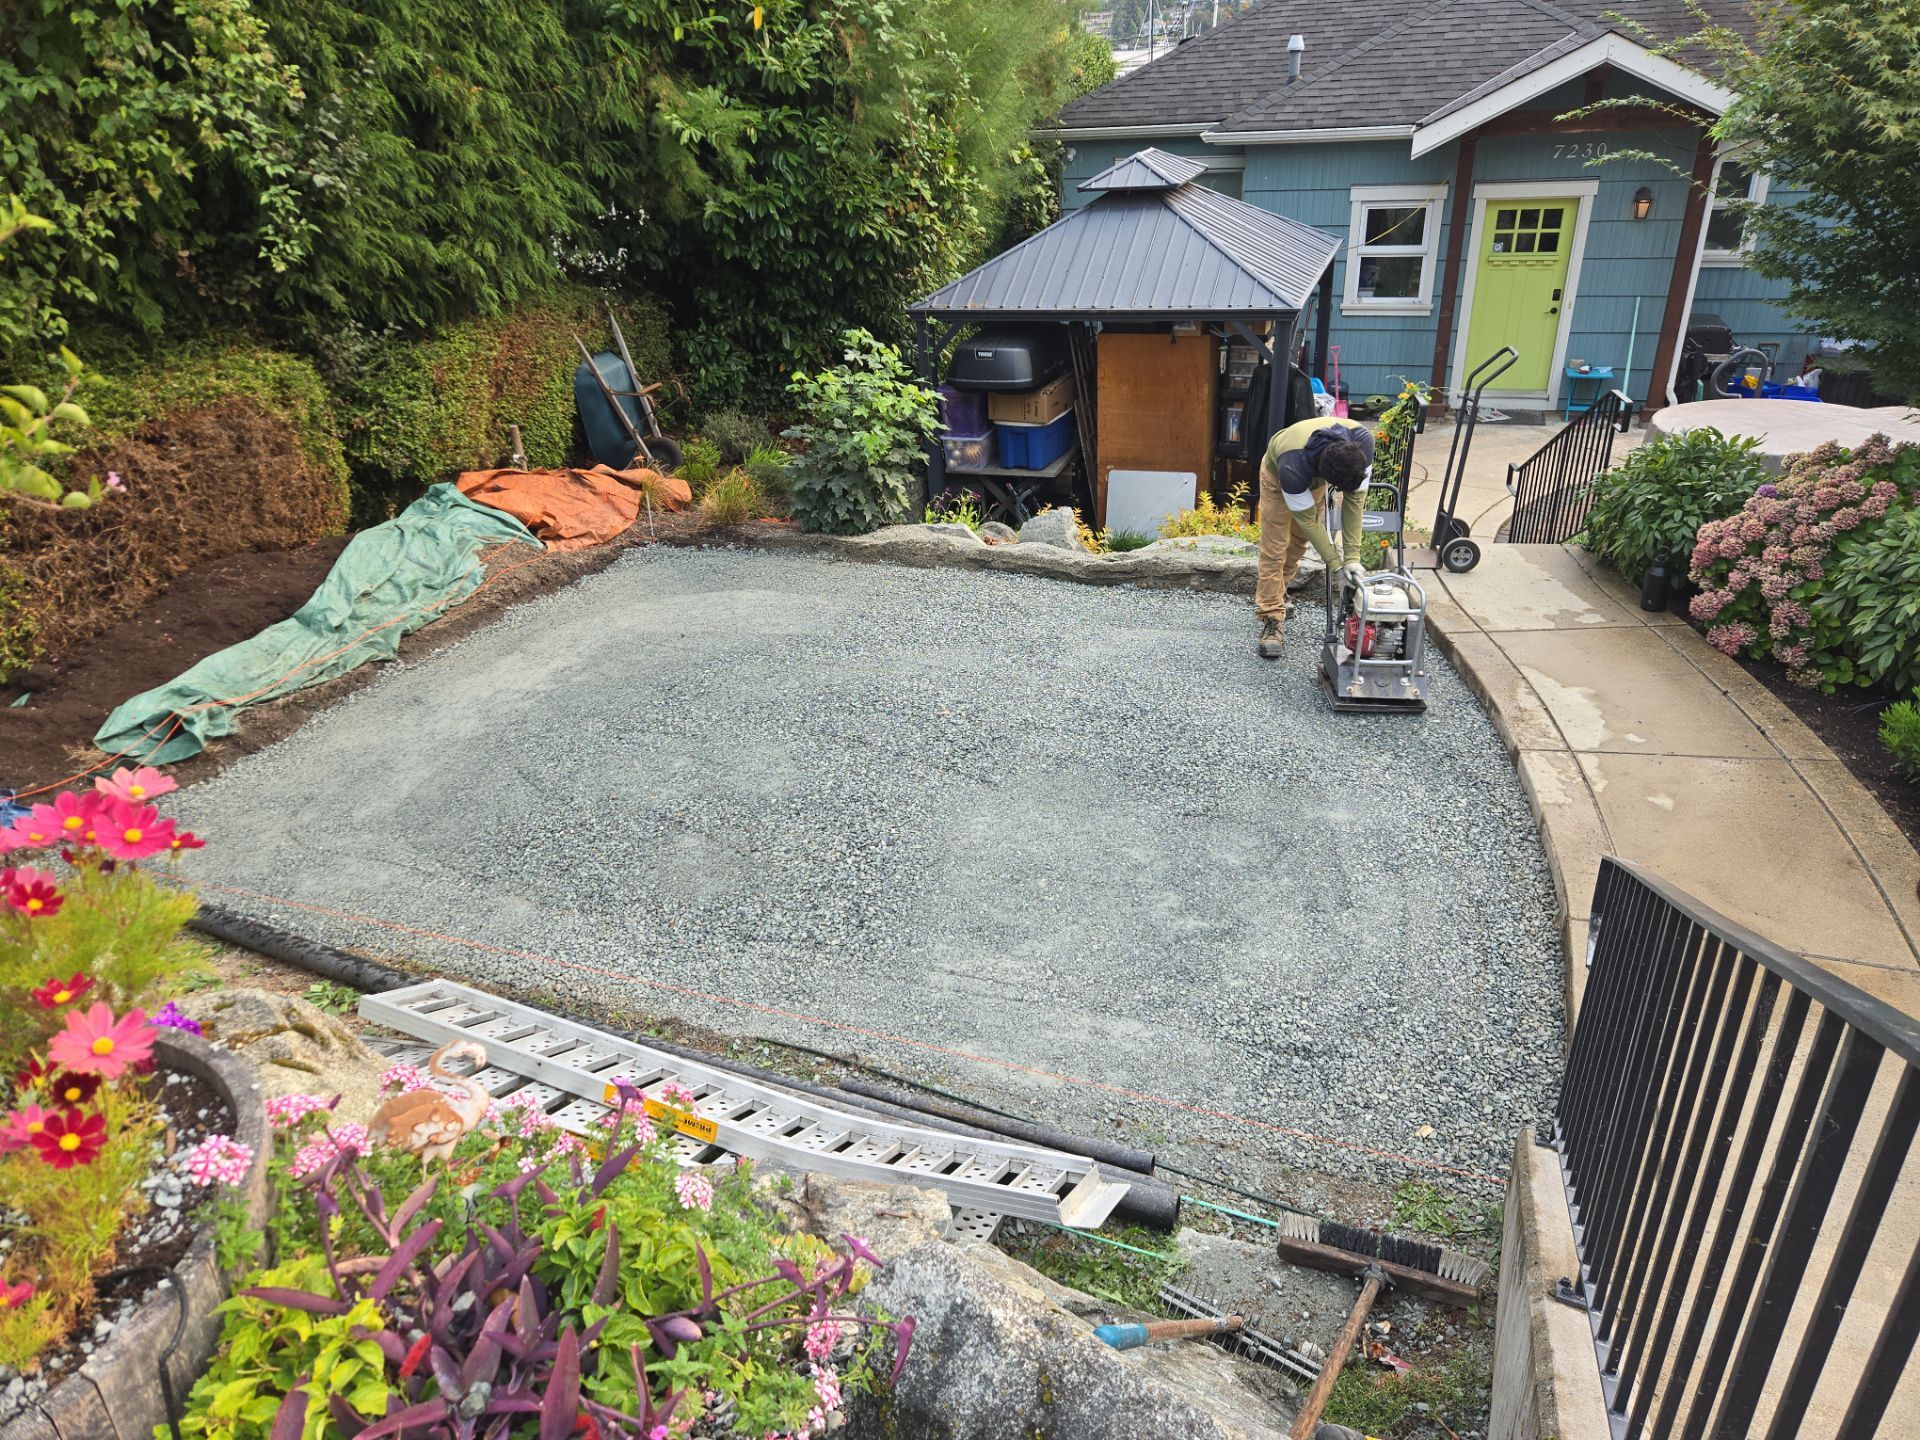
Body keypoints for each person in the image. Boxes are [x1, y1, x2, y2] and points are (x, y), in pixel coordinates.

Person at [1253, 415, 1375, 659]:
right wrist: (1336, 566)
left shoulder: (1363, 445)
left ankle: (1280, 591)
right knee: (1275, 548)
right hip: (1278, 476)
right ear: (1328, 477)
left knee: (1297, 545)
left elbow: (1354, 504)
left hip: (1316, 470)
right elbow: (1309, 521)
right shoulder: (1292, 466)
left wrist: (1351, 559)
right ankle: (1271, 618)